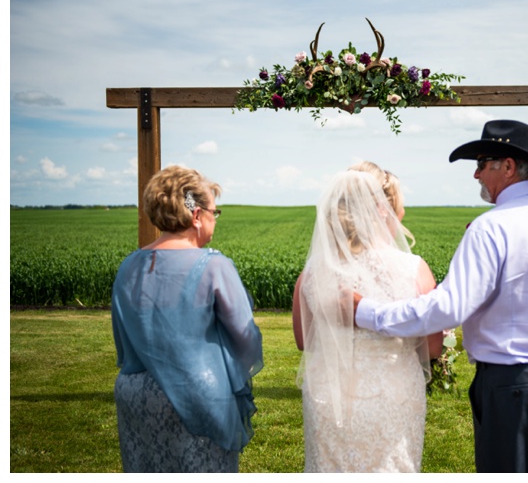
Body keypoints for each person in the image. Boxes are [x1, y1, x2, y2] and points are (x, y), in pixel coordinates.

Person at [354, 119, 528, 473]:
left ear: (507, 167)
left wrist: (367, 313)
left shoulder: (490, 228)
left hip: (511, 383)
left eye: (481, 163)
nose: (475, 175)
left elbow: (451, 306)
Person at [111, 165, 264, 472]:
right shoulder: (213, 265)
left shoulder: (129, 265)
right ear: (196, 216)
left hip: (136, 395)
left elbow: (122, 338)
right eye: (213, 212)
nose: (214, 220)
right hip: (198, 394)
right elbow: (245, 337)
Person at [292, 169, 443, 472]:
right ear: (381, 210)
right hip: (394, 392)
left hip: (328, 395)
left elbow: (302, 340)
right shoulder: (413, 269)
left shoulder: (312, 273)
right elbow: (434, 348)